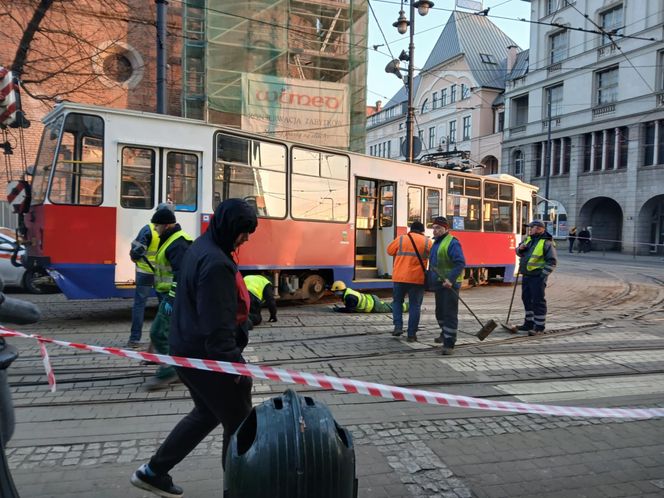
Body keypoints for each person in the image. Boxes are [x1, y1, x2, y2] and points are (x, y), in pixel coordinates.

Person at [131, 199, 257, 498]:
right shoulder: (217, 264)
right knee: (240, 423)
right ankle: (237, 489)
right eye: (244, 232)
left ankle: (153, 472)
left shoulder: (200, 247)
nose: (247, 238)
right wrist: (235, 369)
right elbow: (217, 328)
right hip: (207, 358)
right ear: (230, 227)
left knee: (207, 413)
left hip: (185, 349)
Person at [143, 207, 193, 391]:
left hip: (175, 297)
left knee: (158, 332)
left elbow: (181, 276)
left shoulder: (177, 243)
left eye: (157, 226)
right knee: (173, 335)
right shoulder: (170, 240)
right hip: (170, 296)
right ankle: (179, 368)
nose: (155, 229)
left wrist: (172, 300)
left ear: (166, 225)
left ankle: (170, 369)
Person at [127, 203, 174, 349]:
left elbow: (136, 250)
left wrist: (135, 258)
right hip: (162, 275)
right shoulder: (172, 231)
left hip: (145, 272)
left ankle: (134, 339)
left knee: (140, 305)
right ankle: (166, 337)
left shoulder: (148, 229)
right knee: (164, 307)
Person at [387, 220, 432, 342]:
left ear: (410, 229)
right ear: (422, 231)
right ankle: (411, 334)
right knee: (415, 306)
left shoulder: (401, 239)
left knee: (397, 302)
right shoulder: (427, 242)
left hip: (399, 278)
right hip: (417, 279)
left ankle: (398, 326)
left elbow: (389, 251)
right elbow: (434, 256)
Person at [428, 216, 466, 355]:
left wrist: (450, 279)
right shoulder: (437, 243)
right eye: (434, 228)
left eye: (438, 228)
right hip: (439, 283)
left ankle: (449, 343)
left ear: (446, 229)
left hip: (450, 284)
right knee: (440, 312)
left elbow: (460, 262)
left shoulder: (452, 243)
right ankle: (444, 333)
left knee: (449, 313)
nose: (435, 230)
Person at [516, 220, 557, 336]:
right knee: (526, 299)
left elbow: (552, 261)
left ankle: (539, 326)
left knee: (538, 301)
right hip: (527, 275)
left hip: (537, 277)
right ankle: (528, 323)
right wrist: (520, 249)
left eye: (531, 227)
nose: (529, 229)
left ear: (539, 229)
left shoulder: (547, 243)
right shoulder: (529, 239)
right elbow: (518, 251)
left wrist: (542, 275)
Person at [330, 281, 408, 315]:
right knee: (389, 305)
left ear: (340, 291)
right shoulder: (347, 292)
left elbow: (350, 310)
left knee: (392, 308)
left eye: (335, 292)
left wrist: (339, 310)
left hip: (374, 306)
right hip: (372, 300)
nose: (335, 294)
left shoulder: (349, 297)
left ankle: (409, 306)